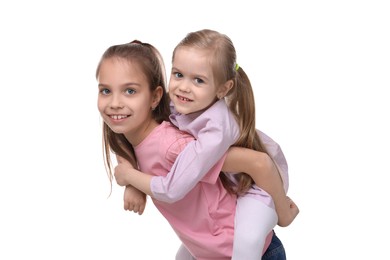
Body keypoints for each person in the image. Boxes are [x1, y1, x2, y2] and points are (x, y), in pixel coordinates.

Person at [96, 40, 294, 259]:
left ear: (155, 97)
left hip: (245, 251)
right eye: (105, 90)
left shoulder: (175, 146)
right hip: (207, 251)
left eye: (130, 91)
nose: (114, 103)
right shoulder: (131, 134)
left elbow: (258, 163)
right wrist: (133, 182)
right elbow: (120, 143)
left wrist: (283, 213)